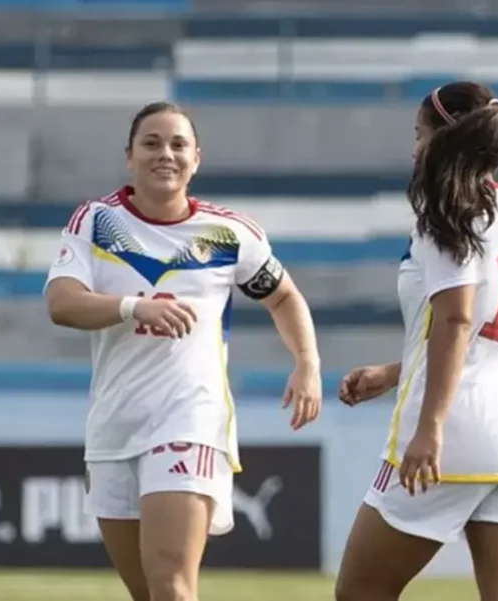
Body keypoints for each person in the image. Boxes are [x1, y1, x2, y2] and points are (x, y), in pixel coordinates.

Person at [44, 101, 323, 601]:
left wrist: (307, 362)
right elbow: (61, 303)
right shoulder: (95, 221)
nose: (165, 154)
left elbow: (283, 295)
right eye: (151, 143)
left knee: (173, 583)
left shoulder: (230, 233)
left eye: (178, 145)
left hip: (189, 419)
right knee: (148, 592)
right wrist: (134, 307)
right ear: (129, 156)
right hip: (114, 424)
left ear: (197, 159)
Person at [333, 81, 498, 601]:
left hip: (456, 429)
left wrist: (430, 428)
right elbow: (491, 329)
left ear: (444, 138)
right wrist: (395, 371)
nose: (415, 148)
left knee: (361, 590)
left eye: (420, 134)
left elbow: (458, 320)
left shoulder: (445, 206)